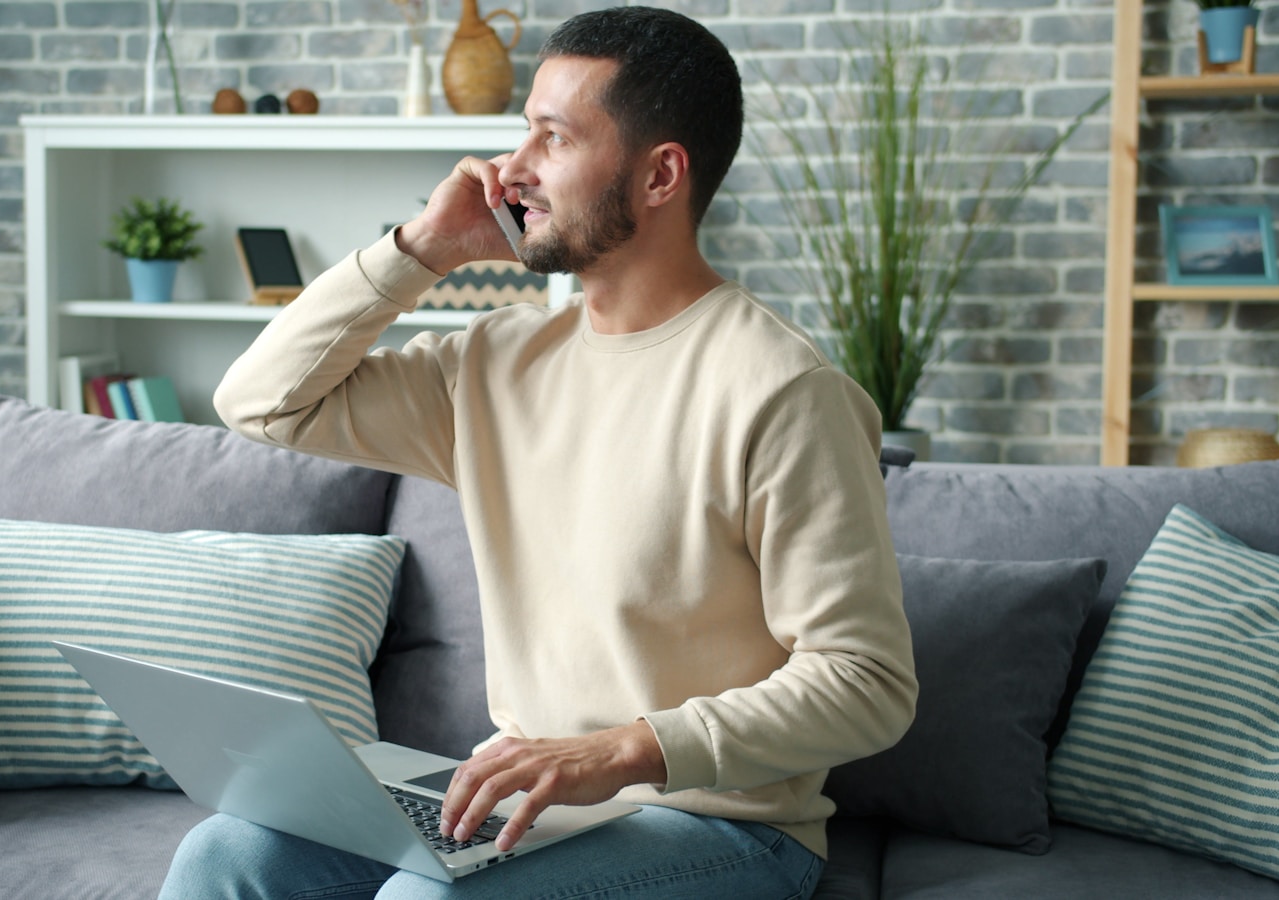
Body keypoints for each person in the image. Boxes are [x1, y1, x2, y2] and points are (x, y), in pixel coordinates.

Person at [164, 7, 917, 898]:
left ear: (660, 174)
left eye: (553, 139)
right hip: (529, 807)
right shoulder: (495, 361)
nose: (510, 170)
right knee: (226, 855)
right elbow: (259, 403)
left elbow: (866, 682)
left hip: (718, 826)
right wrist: (422, 251)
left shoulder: (783, 391)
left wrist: (624, 750)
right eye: (524, 132)